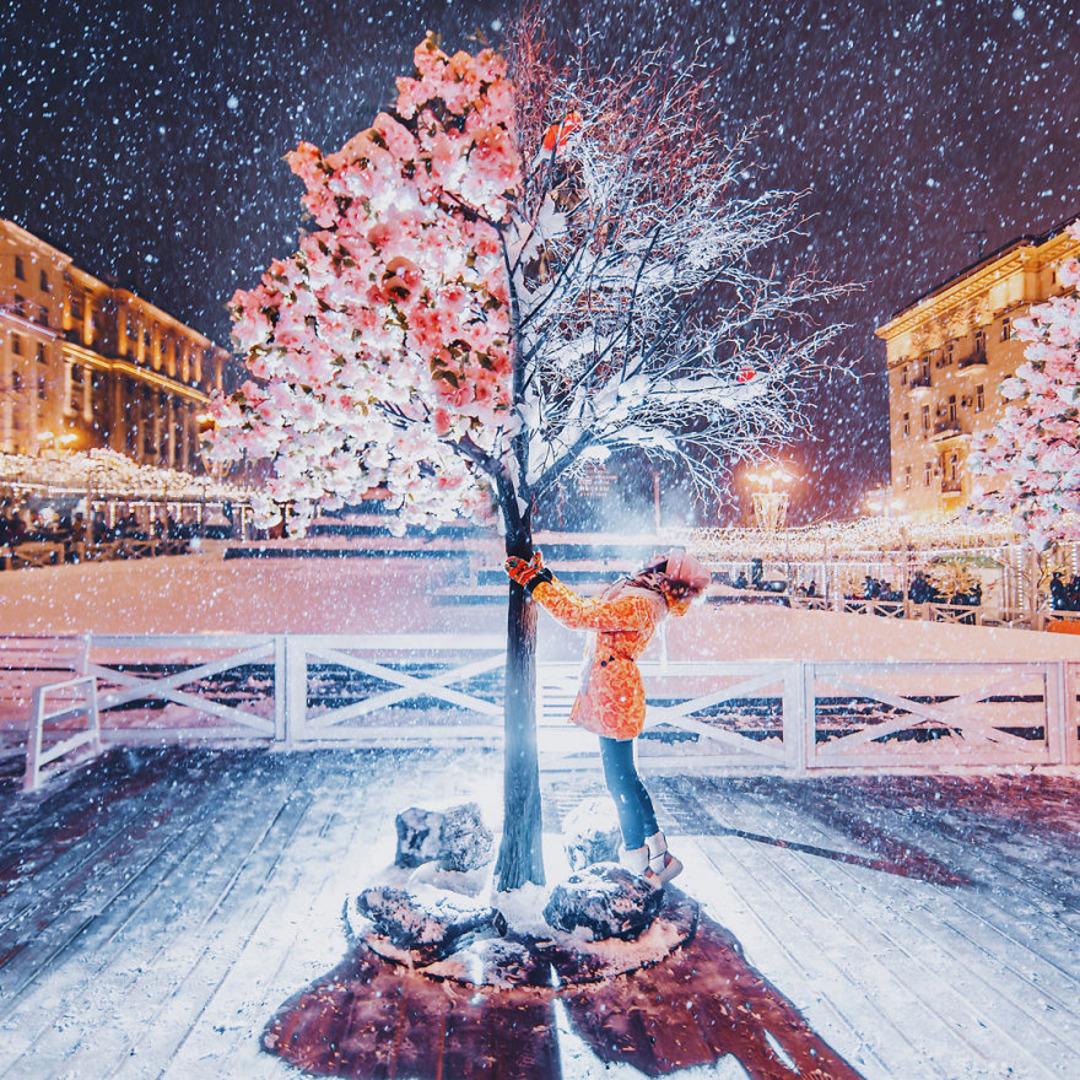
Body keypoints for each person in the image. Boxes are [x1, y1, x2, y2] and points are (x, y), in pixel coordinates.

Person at [505, 548, 711, 887]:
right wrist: (546, 578)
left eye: (658, 562)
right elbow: (586, 608)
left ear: (663, 574)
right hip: (615, 689)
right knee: (626, 778)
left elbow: (577, 617)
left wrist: (534, 582)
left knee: (620, 783)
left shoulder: (640, 603)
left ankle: (637, 863)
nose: (649, 560)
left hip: (616, 693)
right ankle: (660, 856)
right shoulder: (639, 595)